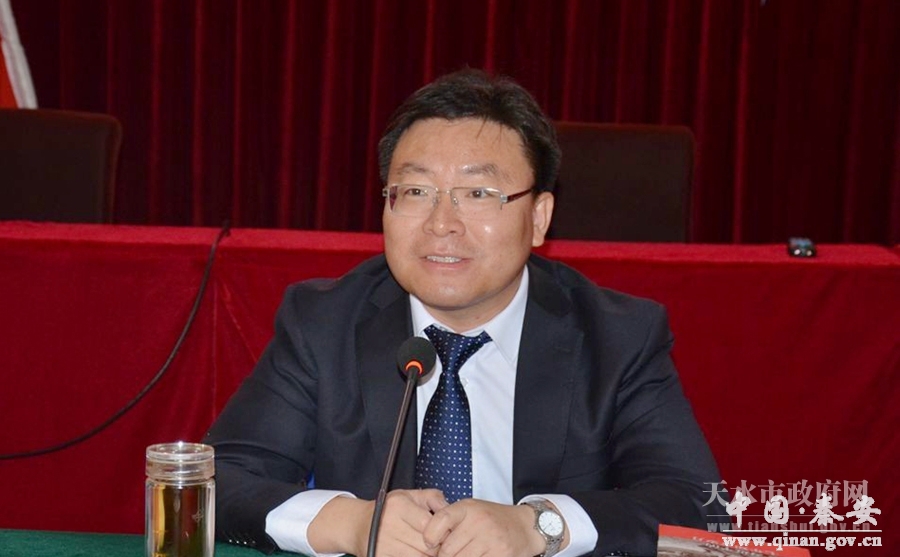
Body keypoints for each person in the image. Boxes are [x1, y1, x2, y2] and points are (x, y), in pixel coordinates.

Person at [205, 69, 726, 557]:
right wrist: (353, 521)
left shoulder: (617, 337)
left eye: (478, 193)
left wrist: (539, 525)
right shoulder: (324, 321)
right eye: (415, 192)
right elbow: (216, 478)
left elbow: (697, 504)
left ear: (538, 217)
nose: (442, 224)